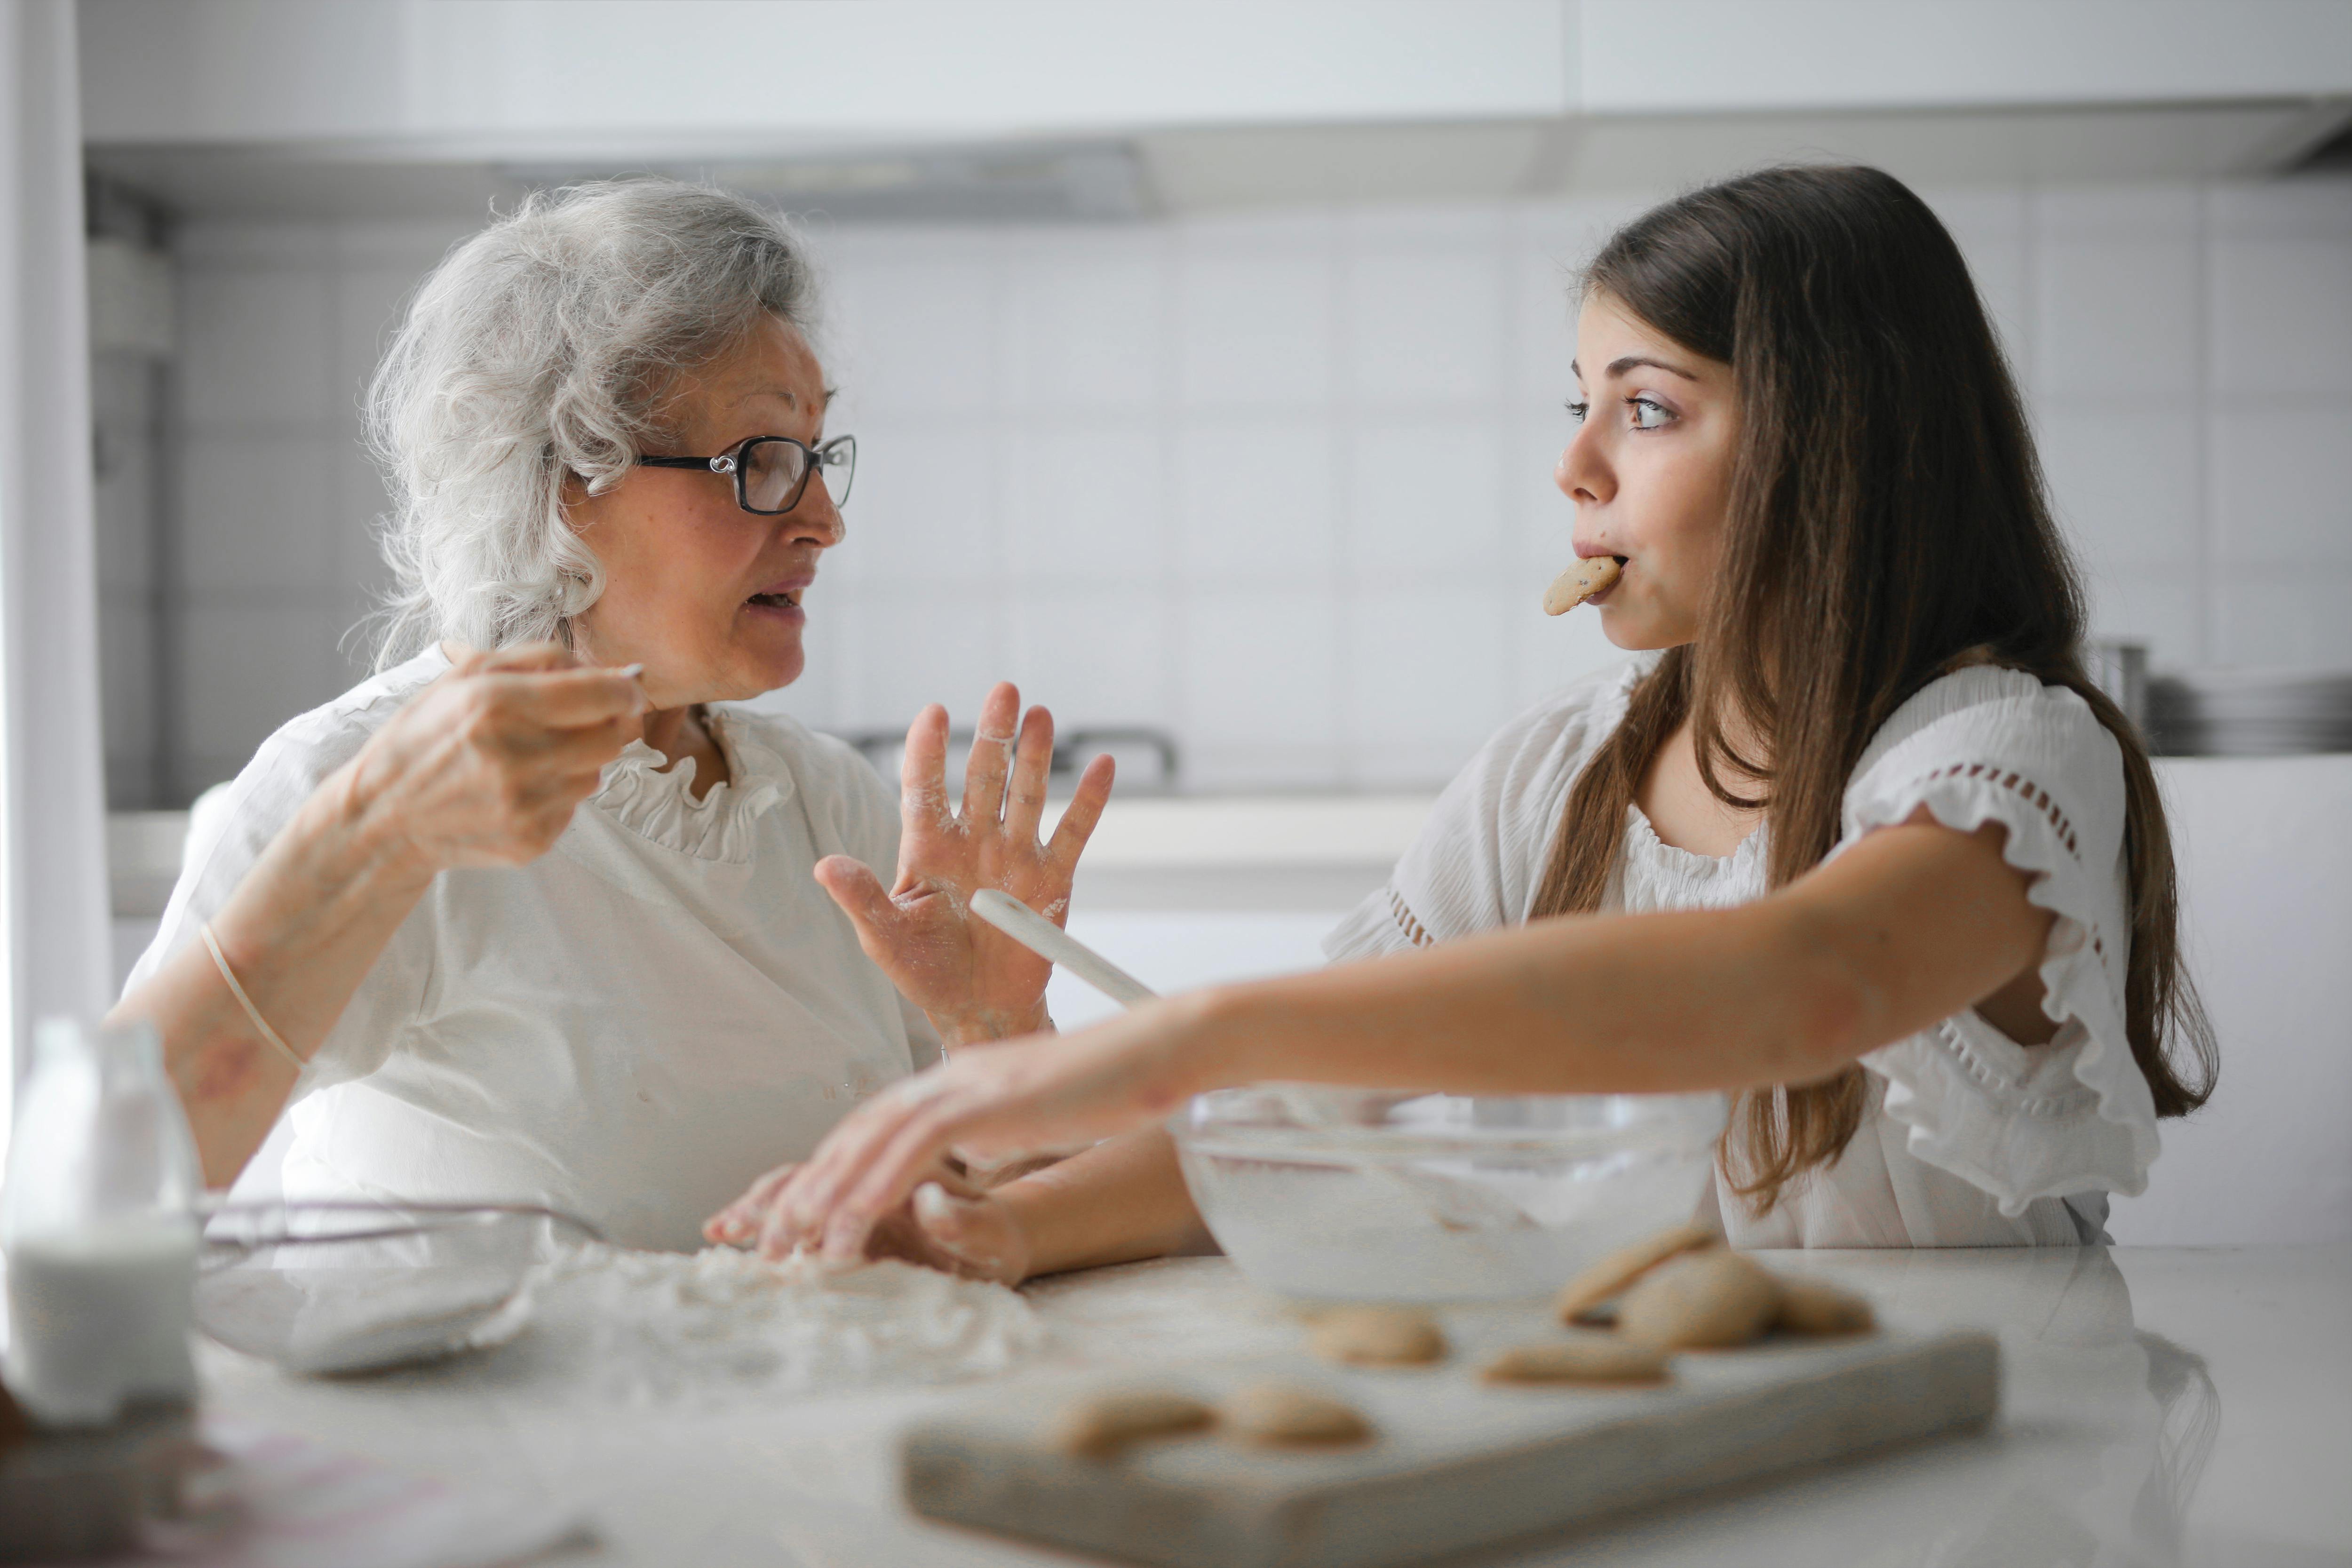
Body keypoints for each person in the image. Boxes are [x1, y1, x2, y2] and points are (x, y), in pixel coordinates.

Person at [714, 165, 2217, 1270]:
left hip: (1995, 1466)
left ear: (1837, 445)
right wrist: (1007, 1225)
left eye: (1647, 405)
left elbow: (1804, 981)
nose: (1573, 464)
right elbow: (1315, 1112)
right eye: (1578, 400)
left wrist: (1199, 1026)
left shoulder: (2004, 759)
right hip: (1672, 1447)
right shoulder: (1555, 775)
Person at [111, 180, 1112, 1250]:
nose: (823, 520)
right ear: (557, 484)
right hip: (482, 1418)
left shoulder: (826, 805)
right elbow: (111, 1177)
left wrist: (994, 1032)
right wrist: (366, 841)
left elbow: (990, 1226)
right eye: (760, 462)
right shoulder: (358, 778)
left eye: (818, 458)